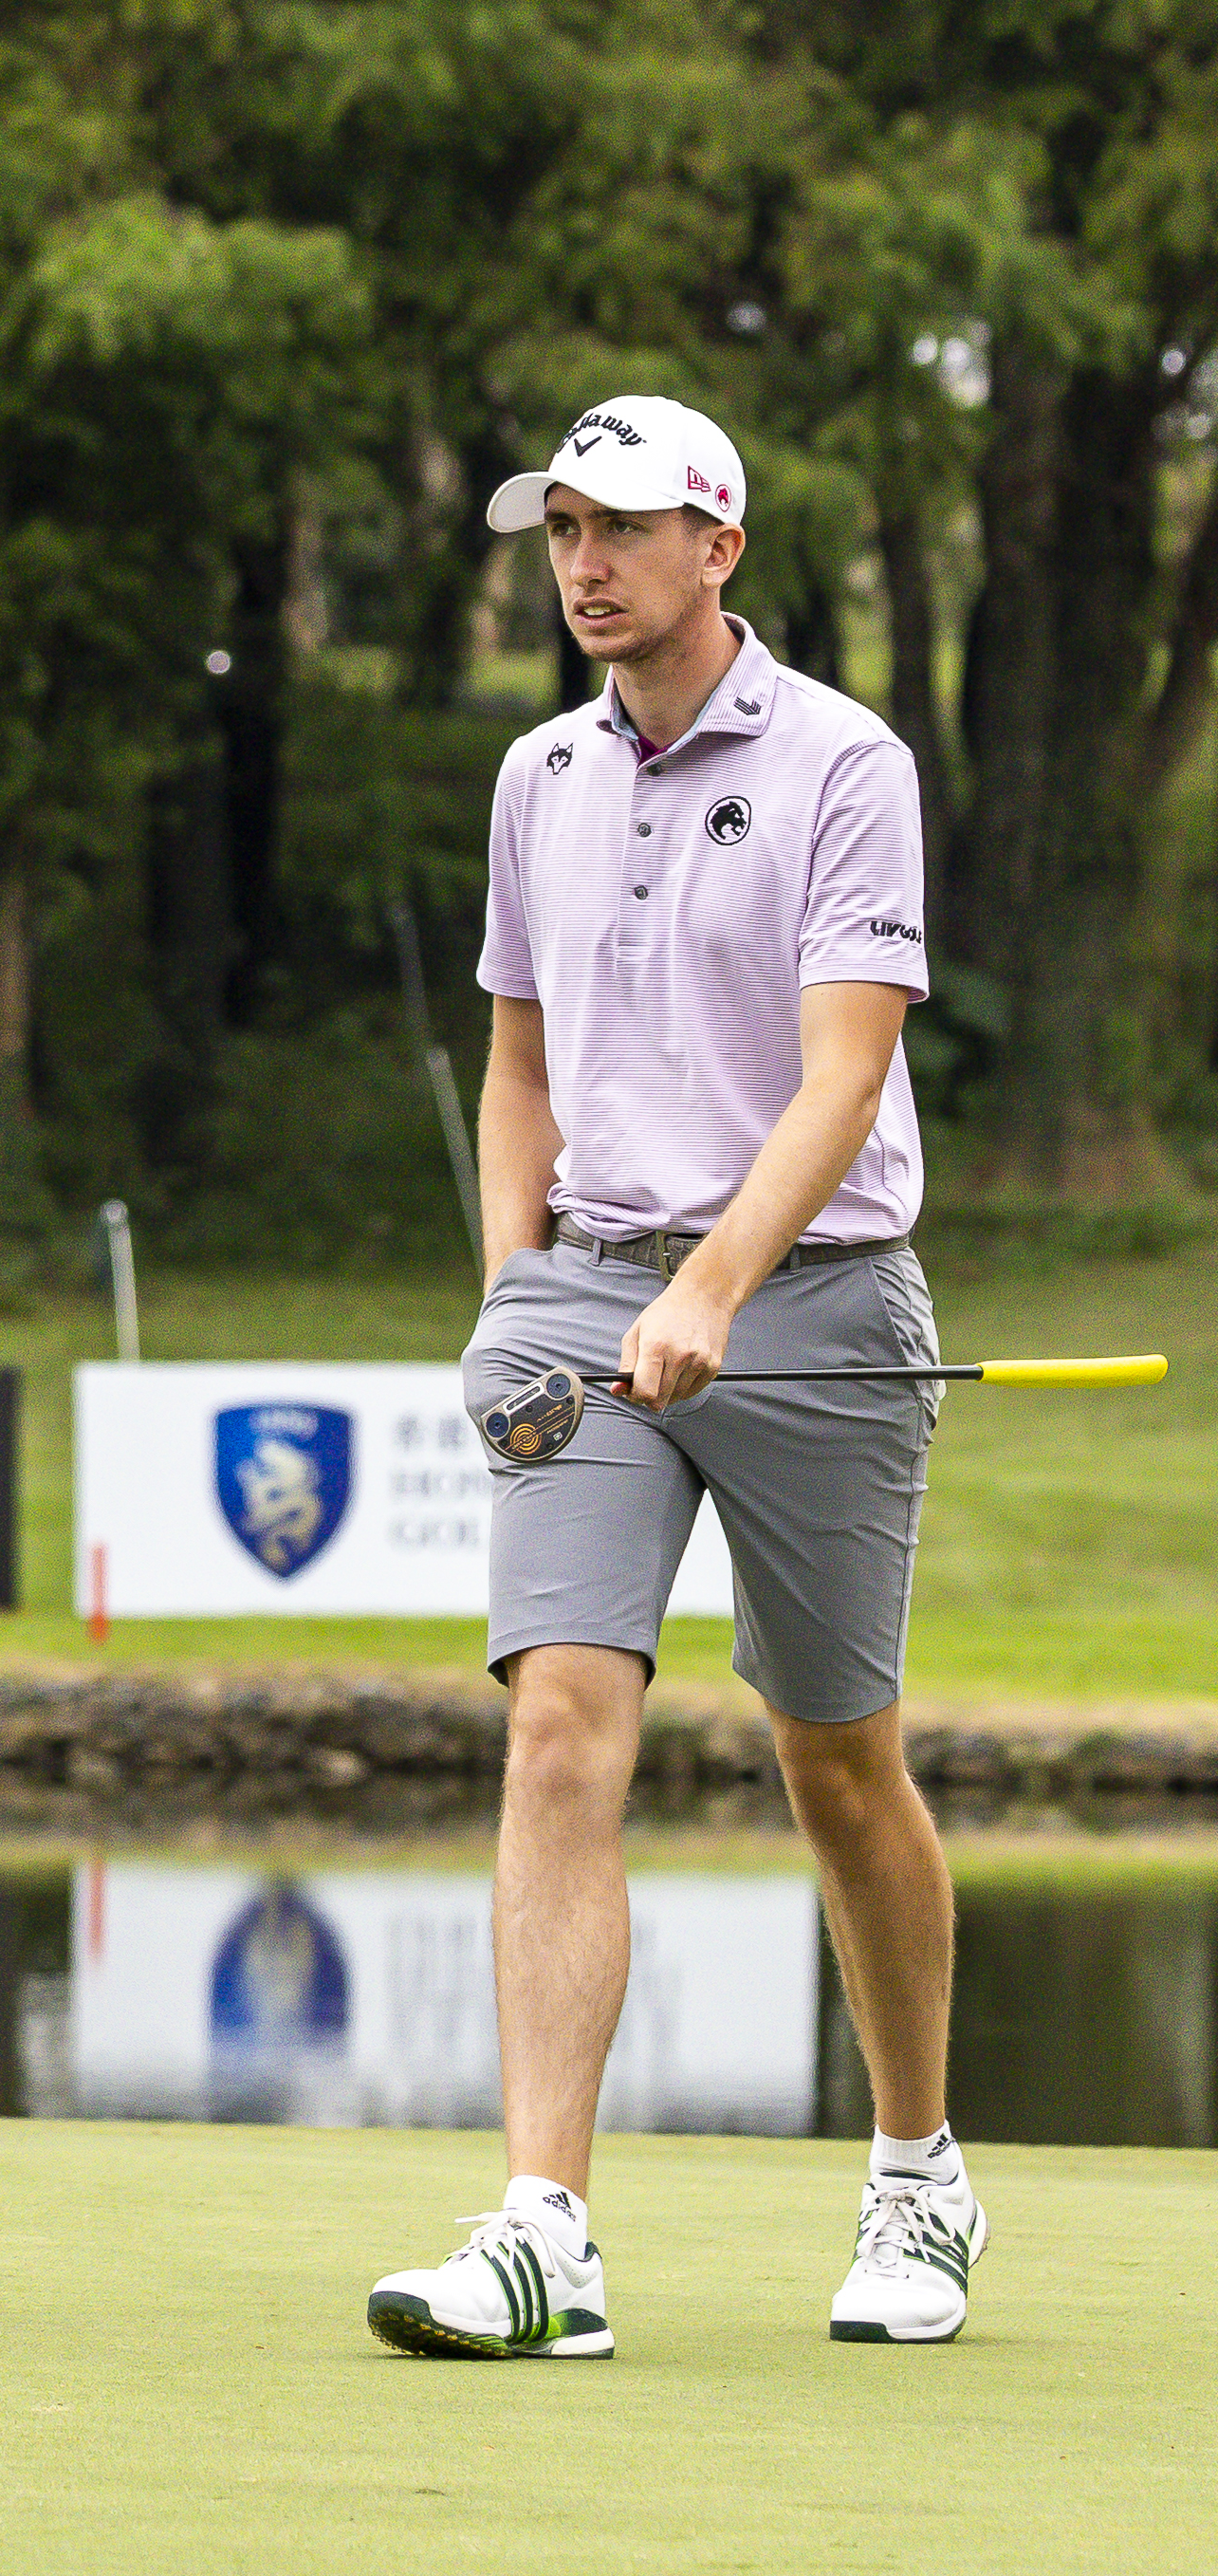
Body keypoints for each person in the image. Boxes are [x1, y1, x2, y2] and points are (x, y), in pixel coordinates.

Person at [364, 394, 974, 2362]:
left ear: (718, 541)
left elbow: (844, 1069)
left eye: (616, 526)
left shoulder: (841, 762)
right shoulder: (535, 771)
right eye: (555, 530)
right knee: (557, 1719)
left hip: (809, 1298)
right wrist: (513, 1292)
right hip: (589, 1302)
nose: (578, 563)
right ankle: (545, 2227)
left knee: (836, 1758)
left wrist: (714, 1280)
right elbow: (515, 1065)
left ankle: (915, 2172)